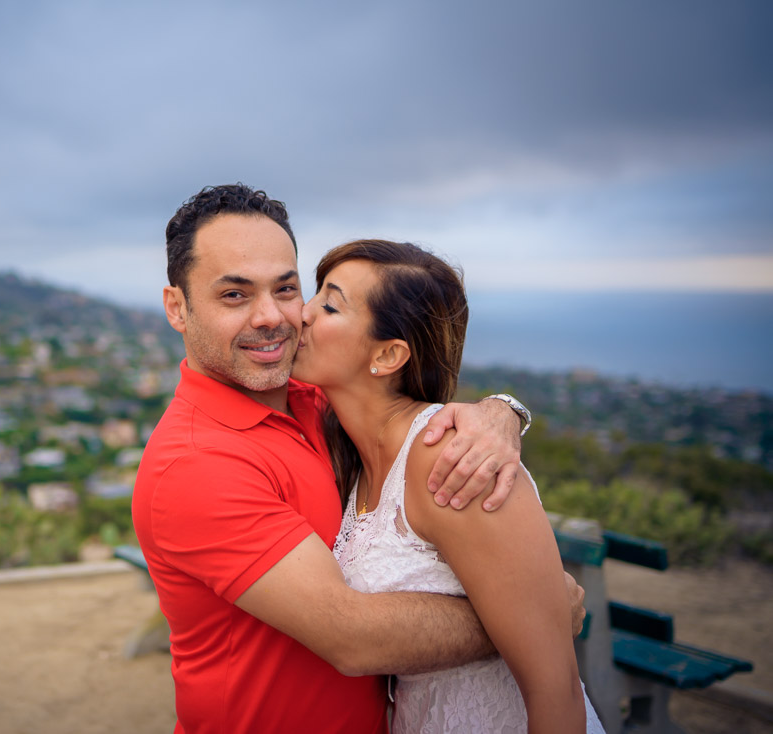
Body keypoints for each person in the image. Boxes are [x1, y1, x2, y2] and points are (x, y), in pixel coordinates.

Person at [132, 183, 584, 734]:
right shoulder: (195, 462)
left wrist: (502, 412)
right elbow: (353, 638)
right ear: (177, 307)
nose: (274, 317)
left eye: (288, 288)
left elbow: (402, 400)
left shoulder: (322, 405)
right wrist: (532, 616)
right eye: (235, 295)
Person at [292, 238, 605, 733]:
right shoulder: (349, 451)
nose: (301, 314)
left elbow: (556, 689)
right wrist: (506, 406)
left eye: (328, 305)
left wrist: (503, 412)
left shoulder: (455, 462)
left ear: (389, 354)